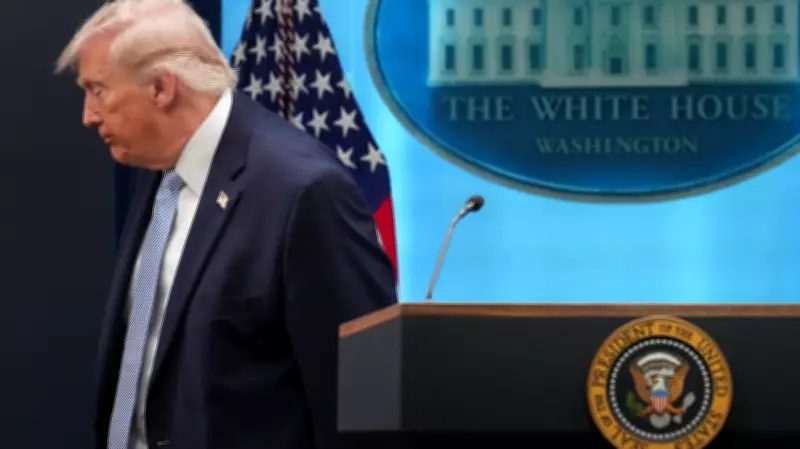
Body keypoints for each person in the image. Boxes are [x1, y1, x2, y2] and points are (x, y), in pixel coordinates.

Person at [54, 0, 398, 448]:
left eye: (97, 90)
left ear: (161, 88)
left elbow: (360, 403)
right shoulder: (158, 165)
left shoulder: (303, 192)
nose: (88, 115)